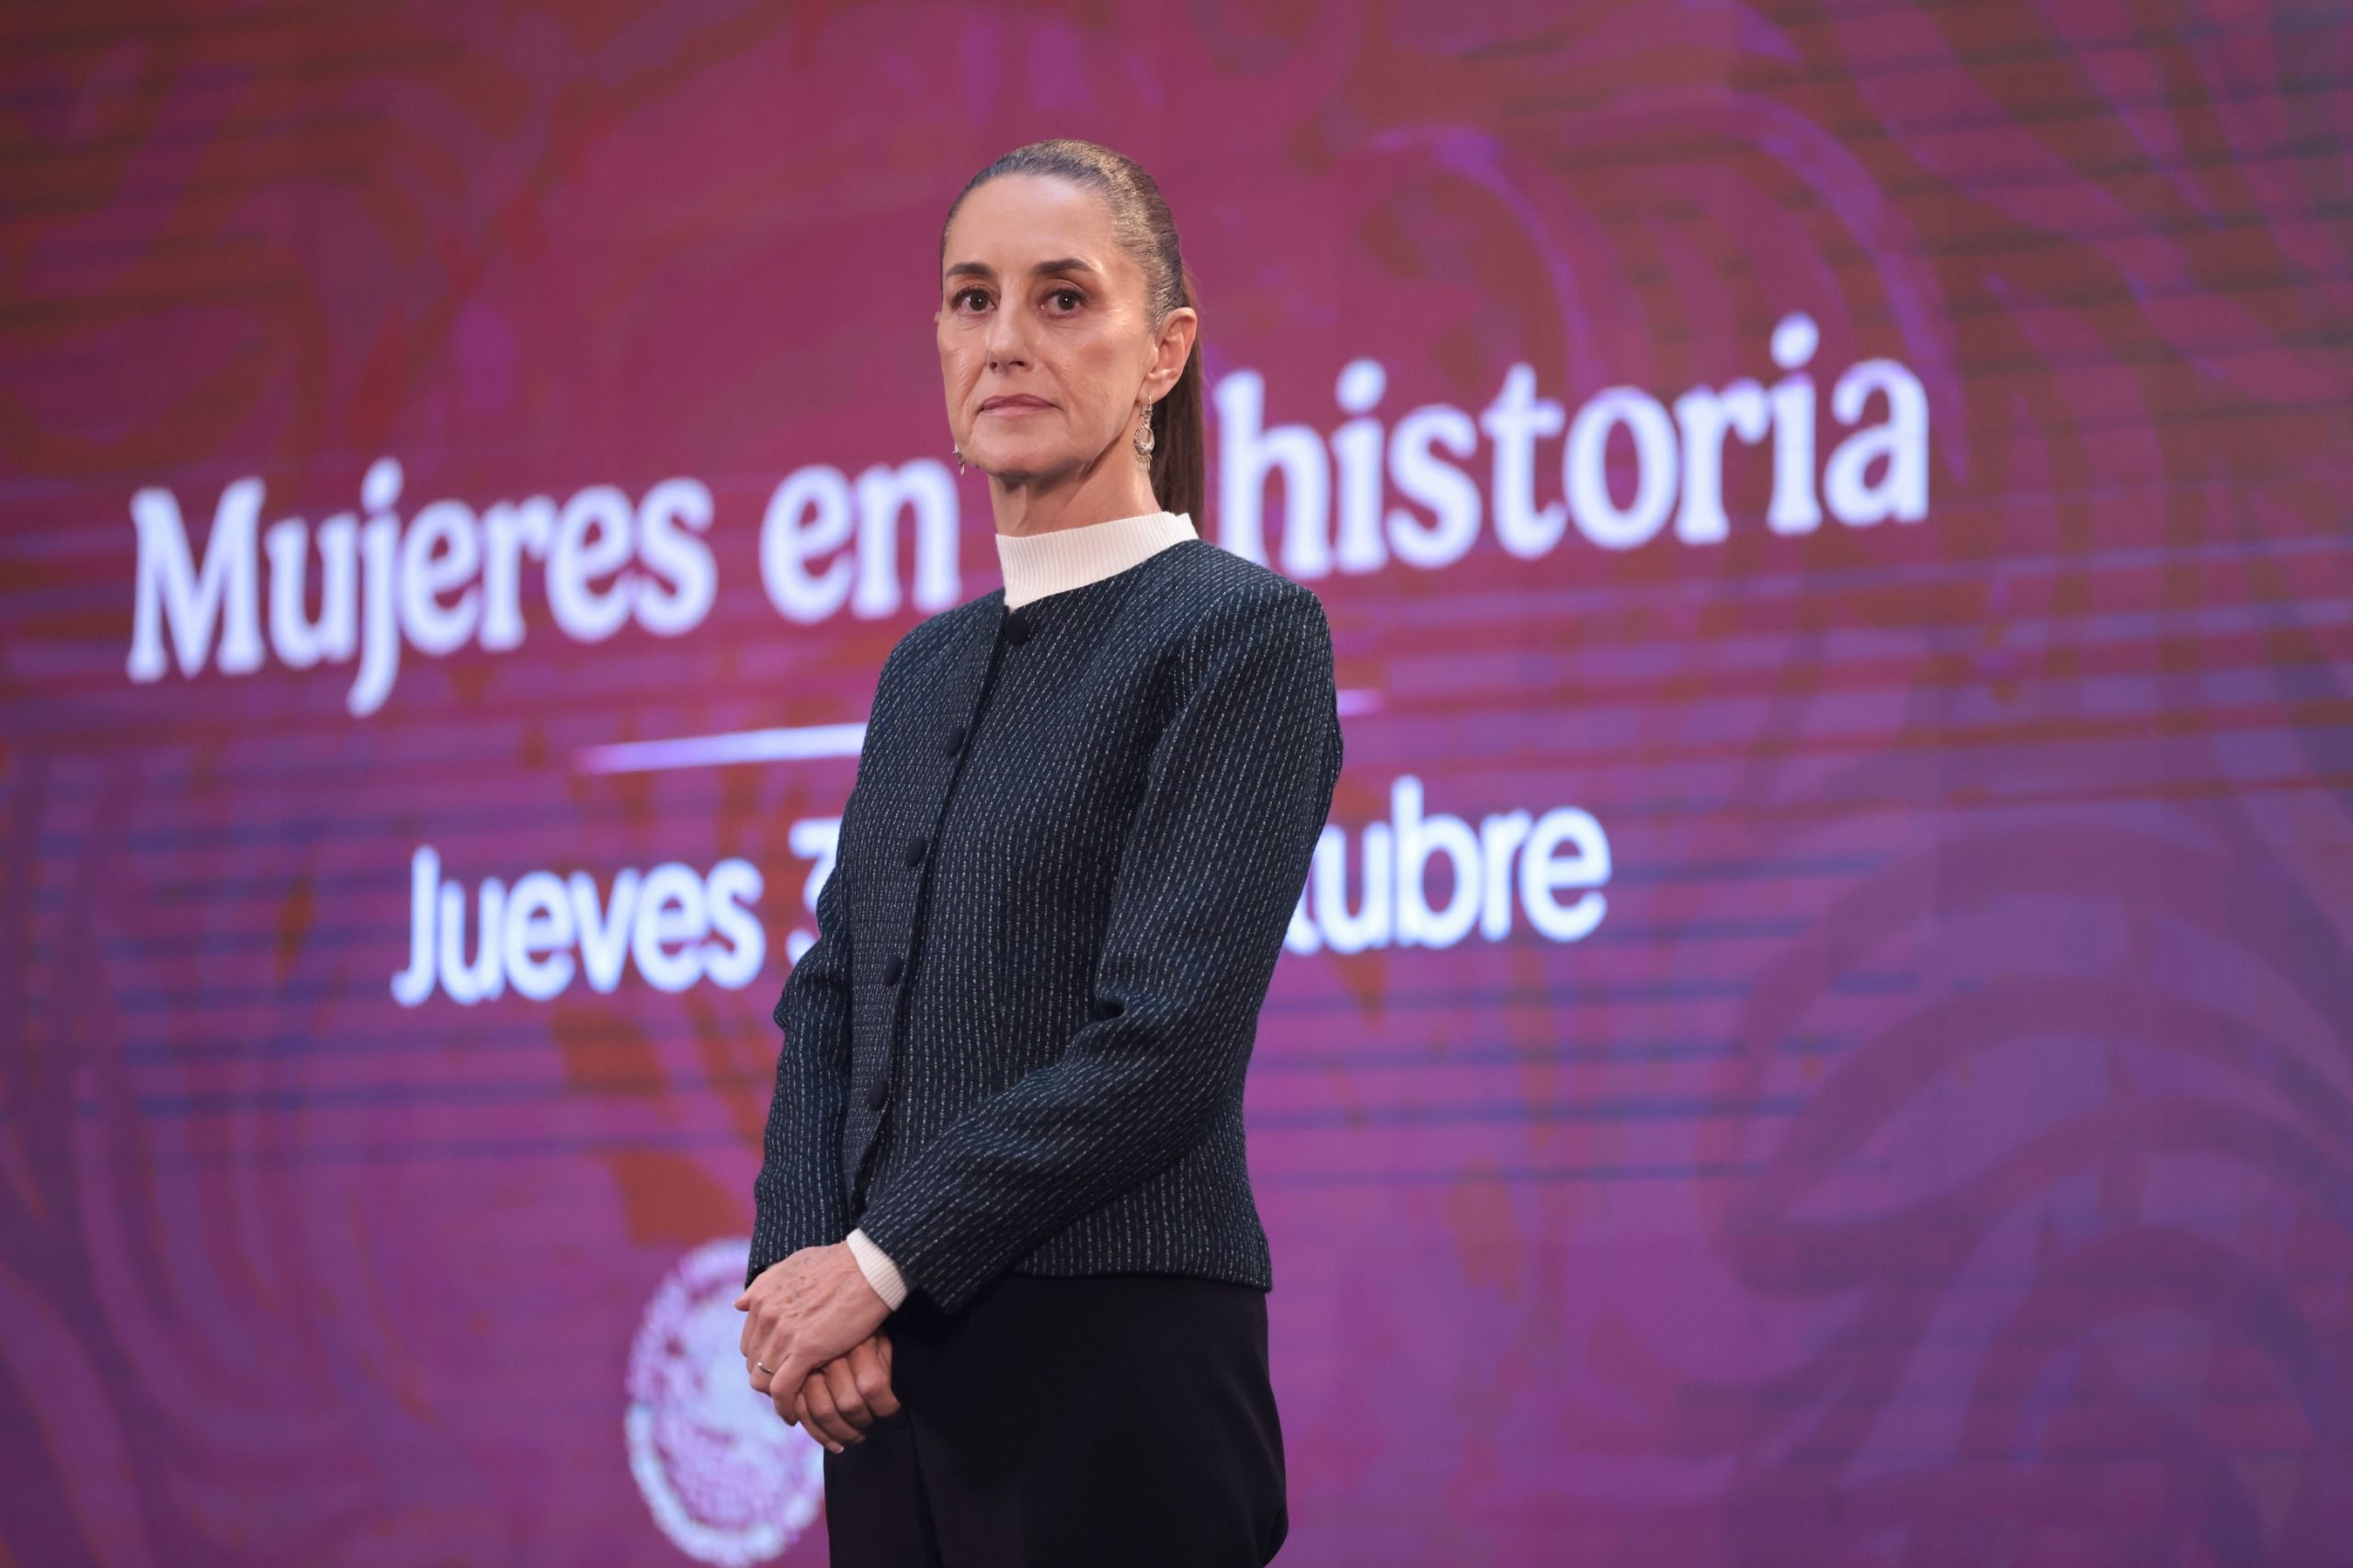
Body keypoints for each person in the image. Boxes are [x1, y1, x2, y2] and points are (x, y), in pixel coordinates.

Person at [734, 137, 1342, 1567]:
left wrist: (877, 1263)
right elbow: (836, 994)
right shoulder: (922, 670)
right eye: (970, 298)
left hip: (1115, 1365)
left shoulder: (1242, 633)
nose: (1004, 340)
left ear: (1164, 353)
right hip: (890, 1382)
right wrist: (802, 1269)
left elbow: (1167, 1037)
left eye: (1063, 298)